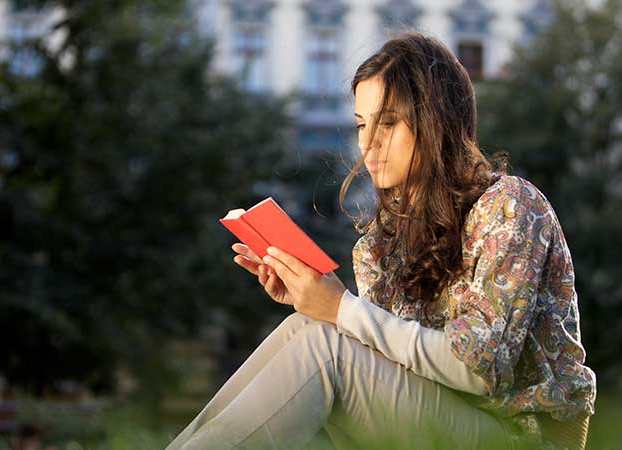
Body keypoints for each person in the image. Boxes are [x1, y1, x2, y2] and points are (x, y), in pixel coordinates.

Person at [165, 31, 596, 450]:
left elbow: (480, 369)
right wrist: (312, 299)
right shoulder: (380, 242)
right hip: (437, 420)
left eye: (388, 122)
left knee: (326, 342)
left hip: (520, 436)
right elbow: (388, 362)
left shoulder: (509, 206)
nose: (367, 144)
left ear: (435, 122)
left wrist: (342, 310)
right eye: (360, 124)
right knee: (307, 326)